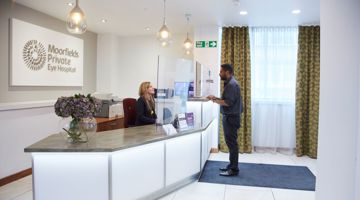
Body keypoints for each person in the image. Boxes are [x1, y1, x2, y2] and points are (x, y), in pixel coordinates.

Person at [207, 64, 243, 176]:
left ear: (227, 72)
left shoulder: (231, 85)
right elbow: (226, 99)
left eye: (221, 72)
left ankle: (233, 169)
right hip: (231, 117)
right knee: (231, 143)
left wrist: (214, 99)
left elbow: (227, 102)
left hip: (231, 118)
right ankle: (231, 166)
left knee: (232, 144)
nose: (219, 73)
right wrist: (215, 98)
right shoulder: (231, 83)